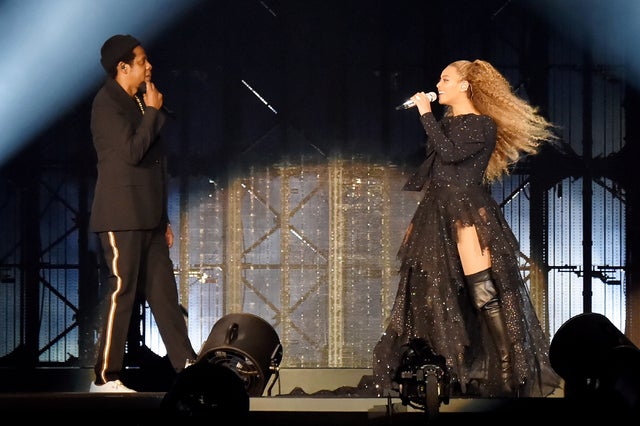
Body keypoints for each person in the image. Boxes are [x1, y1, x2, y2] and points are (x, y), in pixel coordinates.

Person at [372, 59, 562, 398]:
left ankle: (507, 369)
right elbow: (437, 172)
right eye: (439, 79)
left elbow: (452, 154)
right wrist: (417, 221)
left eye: (446, 79)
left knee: (482, 291)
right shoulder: (448, 121)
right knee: (432, 292)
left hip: (466, 210)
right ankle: (439, 370)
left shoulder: (481, 125)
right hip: (436, 210)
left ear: (465, 85)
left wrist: (425, 114)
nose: (438, 84)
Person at [88, 34, 197, 392]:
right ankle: (105, 376)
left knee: (165, 295)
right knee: (122, 291)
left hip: (148, 217)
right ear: (123, 67)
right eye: (142, 61)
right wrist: (152, 111)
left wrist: (163, 218)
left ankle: (189, 368)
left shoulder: (137, 103)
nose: (149, 67)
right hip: (121, 217)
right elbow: (133, 152)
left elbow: (154, 165)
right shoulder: (107, 104)